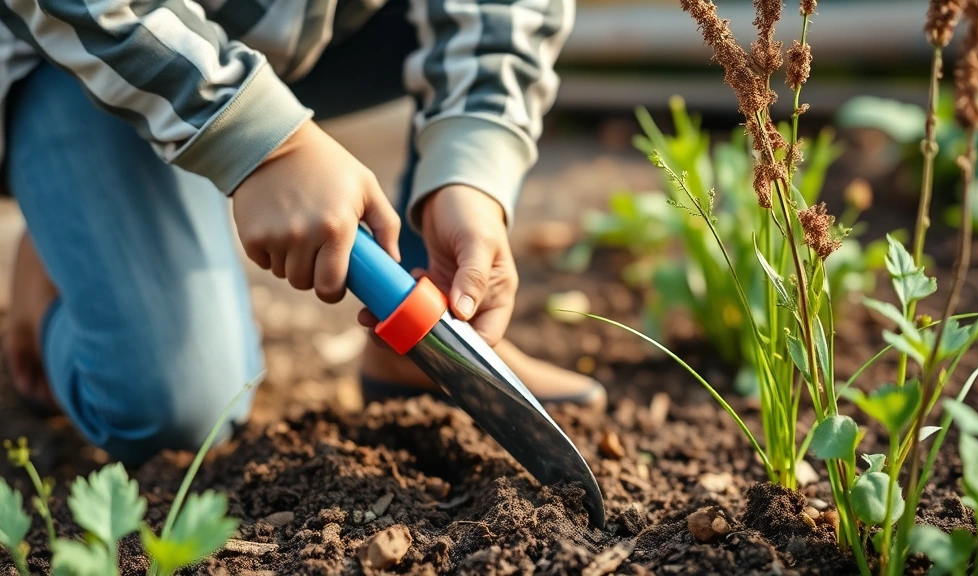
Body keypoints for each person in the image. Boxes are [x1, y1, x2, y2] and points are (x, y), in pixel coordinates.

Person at [0, 0, 605, 465]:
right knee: (179, 411)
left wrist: (468, 168)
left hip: (312, 29)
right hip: (73, 48)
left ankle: (421, 351)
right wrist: (258, 139)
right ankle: (52, 273)